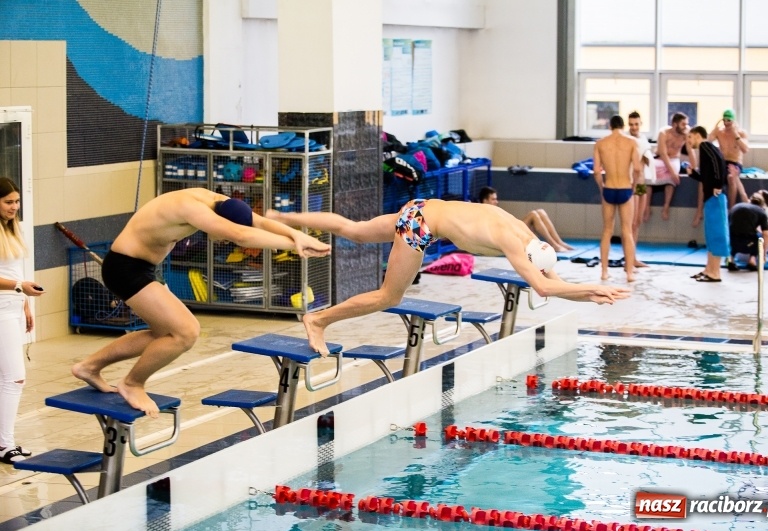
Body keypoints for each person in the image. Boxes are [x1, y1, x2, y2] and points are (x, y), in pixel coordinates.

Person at [71, 188, 331, 417]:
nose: (223, 240)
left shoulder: (216, 200)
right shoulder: (191, 208)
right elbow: (242, 235)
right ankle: (132, 383)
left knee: (164, 335)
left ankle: (89, 367)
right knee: (185, 332)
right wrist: (294, 245)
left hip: (141, 267)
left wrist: (299, 238)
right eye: (223, 235)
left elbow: (258, 222)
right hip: (126, 269)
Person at [267, 200, 631, 354]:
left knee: (355, 229)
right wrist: (591, 287)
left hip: (422, 206)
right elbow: (542, 286)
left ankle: (281, 219)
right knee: (388, 297)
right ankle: (318, 320)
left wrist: (590, 293)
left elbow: (552, 280)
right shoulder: (514, 243)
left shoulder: (522, 230)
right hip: (421, 226)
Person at [0, 178, 45, 464]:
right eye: (8, 202)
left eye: (17, 201)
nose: (14, 207)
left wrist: (25, 302)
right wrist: (19, 290)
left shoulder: (12, 229)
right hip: (0, 310)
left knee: (4, 378)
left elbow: (15, 271)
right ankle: (5, 446)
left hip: (14, 307)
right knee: (15, 378)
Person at [593, 114, 641, 282]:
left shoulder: (600, 143)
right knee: (627, 231)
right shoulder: (631, 142)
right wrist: (633, 186)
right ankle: (629, 273)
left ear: (610, 127)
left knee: (607, 231)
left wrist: (602, 188)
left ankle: (604, 272)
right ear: (623, 126)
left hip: (609, 189)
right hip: (625, 189)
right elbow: (637, 168)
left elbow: (597, 171)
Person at [685, 126, 729, 282]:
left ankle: (715, 272)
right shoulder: (707, 149)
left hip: (715, 196)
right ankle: (709, 269)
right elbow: (706, 177)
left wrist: (718, 184)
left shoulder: (705, 146)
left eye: (690, 137)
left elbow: (719, 164)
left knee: (717, 234)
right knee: (711, 235)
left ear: (697, 135)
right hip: (711, 196)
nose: (689, 141)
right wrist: (693, 174)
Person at [478, 186, 574, 253]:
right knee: (533, 214)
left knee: (541, 212)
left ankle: (559, 242)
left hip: (509, 229)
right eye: (493, 199)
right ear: (485, 200)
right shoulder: (482, 212)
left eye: (496, 199)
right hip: (506, 235)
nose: (496, 201)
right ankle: (553, 244)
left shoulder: (493, 210)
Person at [643, 112, 696, 222]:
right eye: (683, 124)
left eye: (686, 124)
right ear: (675, 124)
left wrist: (694, 167)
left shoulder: (686, 133)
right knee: (647, 176)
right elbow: (663, 153)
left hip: (674, 160)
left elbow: (691, 151)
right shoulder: (663, 132)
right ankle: (646, 207)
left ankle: (666, 206)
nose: (685, 126)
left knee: (672, 180)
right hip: (659, 158)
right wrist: (672, 172)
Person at [708, 109, 749, 210]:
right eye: (724, 120)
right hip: (723, 161)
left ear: (733, 121)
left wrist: (736, 135)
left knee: (731, 177)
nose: (726, 123)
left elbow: (745, 150)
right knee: (709, 175)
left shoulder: (741, 133)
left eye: (729, 120)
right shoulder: (720, 132)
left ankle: (731, 208)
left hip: (735, 162)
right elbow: (707, 142)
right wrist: (715, 129)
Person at [626, 111, 651, 267]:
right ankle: (629, 259)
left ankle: (633, 257)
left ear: (640, 124)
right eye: (631, 124)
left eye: (636, 124)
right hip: (632, 185)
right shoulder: (627, 141)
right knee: (631, 223)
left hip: (642, 184)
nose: (634, 127)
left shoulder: (643, 139)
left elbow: (647, 161)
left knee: (638, 222)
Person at [728, 192, 768, 271]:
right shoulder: (761, 212)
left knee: (733, 234)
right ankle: (752, 260)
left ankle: (731, 259)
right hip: (749, 243)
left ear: (750, 200)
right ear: (762, 204)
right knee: (759, 237)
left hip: (732, 241)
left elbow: (727, 225)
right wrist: (764, 254)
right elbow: (766, 234)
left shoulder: (736, 206)